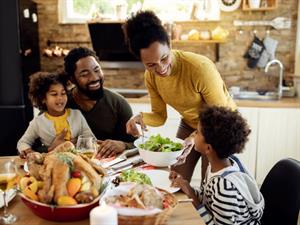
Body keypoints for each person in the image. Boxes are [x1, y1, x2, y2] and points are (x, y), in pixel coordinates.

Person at [123, 10, 236, 181]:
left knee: (212, 183)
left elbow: (220, 116)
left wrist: (194, 137)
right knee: (175, 179)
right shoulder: (151, 77)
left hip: (219, 127)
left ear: (169, 44)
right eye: (151, 64)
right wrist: (139, 118)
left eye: (164, 58)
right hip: (190, 124)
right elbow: (160, 117)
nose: (160, 69)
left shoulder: (199, 68)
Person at [169, 106, 264, 224]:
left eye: (197, 132)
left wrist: (192, 196)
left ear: (208, 148)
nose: (193, 135)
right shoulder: (222, 165)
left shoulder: (224, 187)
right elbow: (207, 198)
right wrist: (187, 186)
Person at [64, 47, 136, 158]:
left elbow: (137, 144)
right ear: (72, 79)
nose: (94, 77)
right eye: (84, 74)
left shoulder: (118, 103)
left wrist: (123, 145)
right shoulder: (61, 103)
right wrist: (56, 146)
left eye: (97, 70)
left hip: (112, 170)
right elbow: (32, 145)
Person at [17, 72, 95, 158]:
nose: (60, 98)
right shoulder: (38, 122)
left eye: (63, 93)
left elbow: (91, 139)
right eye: (54, 94)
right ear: (43, 98)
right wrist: (28, 151)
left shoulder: (77, 114)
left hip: (78, 159)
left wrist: (76, 143)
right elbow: (23, 142)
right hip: (53, 161)